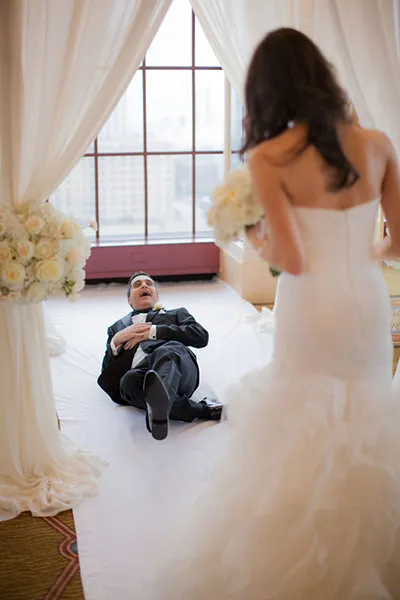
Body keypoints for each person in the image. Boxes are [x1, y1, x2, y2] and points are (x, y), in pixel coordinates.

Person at [158, 28, 400, 598]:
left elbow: (291, 260)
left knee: (304, 421)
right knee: (368, 417)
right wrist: (363, 252)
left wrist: (254, 235)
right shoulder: (378, 143)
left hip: (310, 307)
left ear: (268, 92)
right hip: (366, 304)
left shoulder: (270, 157)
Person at [98, 272, 222, 440]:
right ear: (129, 300)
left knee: (167, 351)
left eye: (149, 283)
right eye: (137, 285)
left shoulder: (177, 313)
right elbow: (107, 377)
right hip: (141, 379)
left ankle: (162, 403)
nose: (144, 285)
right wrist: (115, 341)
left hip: (178, 369)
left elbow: (201, 336)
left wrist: (154, 331)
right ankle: (188, 411)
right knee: (128, 381)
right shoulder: (117, 328)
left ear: (157, 296)